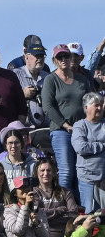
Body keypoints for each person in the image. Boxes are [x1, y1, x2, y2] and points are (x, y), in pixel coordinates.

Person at [44, 44, 94, 194]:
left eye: (66, 55)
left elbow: (91, 101)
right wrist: (66, 125)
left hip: (82, 131)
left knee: (83, 171)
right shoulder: (51, 79)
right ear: (55, 60)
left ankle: (83, 208)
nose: (64, 59)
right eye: (60, 57)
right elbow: (47, 106)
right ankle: (66, 209)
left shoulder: (82, 79)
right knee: (66, 171)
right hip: (61, 131)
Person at [72, 91, 105, 212]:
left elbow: (87, 147)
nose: (100, 107)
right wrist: (102, 146)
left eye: (101, 104)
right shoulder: (80, 126)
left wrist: (92, 146)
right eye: (96, 105)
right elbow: (81, 148)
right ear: (86, 107)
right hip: (88, 179)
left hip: (104, 179)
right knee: (90, 216)